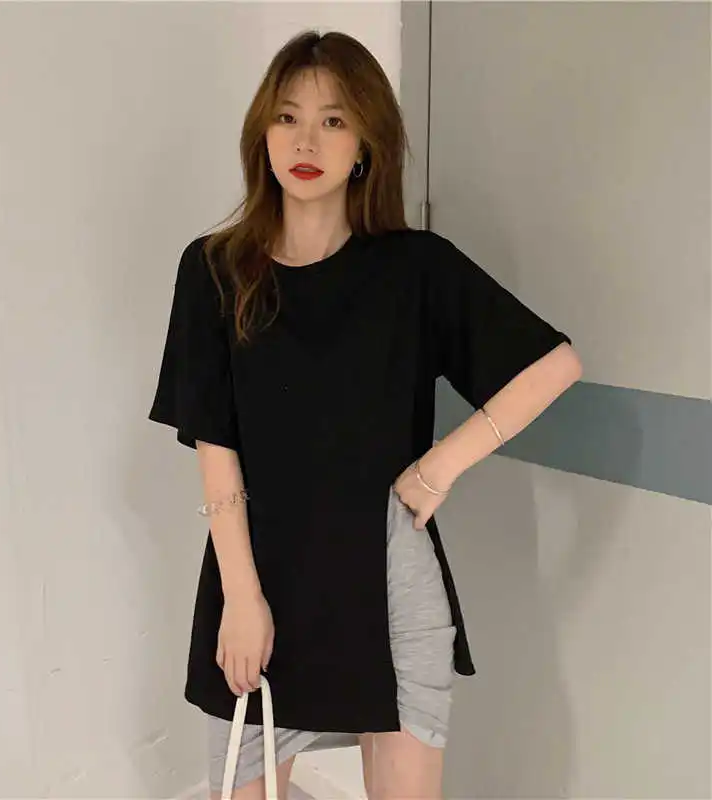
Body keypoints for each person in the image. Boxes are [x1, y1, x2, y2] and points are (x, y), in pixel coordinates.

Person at [149, 29, 582, 800]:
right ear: (262, 133)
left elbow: (555, 365)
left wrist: (439, 467)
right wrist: (241, 597)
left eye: (334, 120)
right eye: (287, 117)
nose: (306, 141)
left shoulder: (413, 269)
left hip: (388, 579)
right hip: (258, 577)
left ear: (365, 146)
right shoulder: (215, 269)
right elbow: (215, 444)